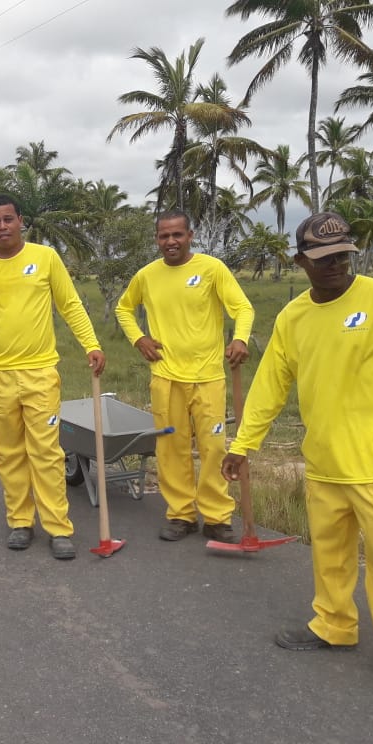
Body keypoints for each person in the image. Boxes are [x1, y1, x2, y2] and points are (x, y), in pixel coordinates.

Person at [222, 211, 373, 695]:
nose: (336, 264)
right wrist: (243, 445)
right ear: (299, 260)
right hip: (323, 465)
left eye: (342, 254)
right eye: (322, 258)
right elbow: (269, 388)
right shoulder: (293, 317)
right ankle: (334, 625)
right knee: (331, 557)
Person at [0, 194, 105, 560]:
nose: (2, 227)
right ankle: (20, 522)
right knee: (9, 454)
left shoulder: (44, 258)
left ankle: (58, 528)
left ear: (20, 221)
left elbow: (69, 303)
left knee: (46, 453)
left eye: (8, 219)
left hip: (40, 373)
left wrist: (91, 344)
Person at [115, 210, 254, 544]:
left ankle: (217, 517)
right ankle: (181, 514)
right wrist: (139, 338)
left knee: (214, 447)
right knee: (171, 449)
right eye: (164, 236)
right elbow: (123, 308)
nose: (171, 242)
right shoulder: (147, 275)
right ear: (157, 239)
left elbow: (243, 308)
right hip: (166, 377)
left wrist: (240, 338)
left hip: (208, 378)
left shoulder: (211, 269)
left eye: (177, 235)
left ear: (190, 235)